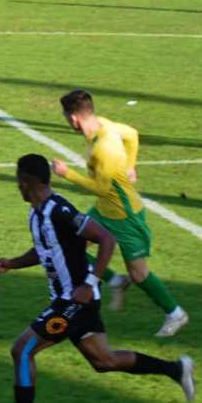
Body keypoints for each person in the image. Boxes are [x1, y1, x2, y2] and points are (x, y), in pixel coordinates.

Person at [0, 154, 196, 403]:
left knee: (22, 349)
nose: (16, 185)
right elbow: (45, 249)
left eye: (18, 179)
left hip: (75, 303)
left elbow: (106, 239)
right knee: (104, 361)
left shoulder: (59, 210)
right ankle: (177, 369)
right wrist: (12, 263)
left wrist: (91, 282)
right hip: (70, 301)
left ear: (27, 182)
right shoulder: (37, 214)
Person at [52, 90, 189, 337]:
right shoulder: (103, 124)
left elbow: (102, 189)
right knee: (70, 243)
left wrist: (66, 174)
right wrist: (130, 166)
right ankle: (115, 281)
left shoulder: (103, 148)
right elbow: (132, 135)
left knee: (139, 274)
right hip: (105, 211)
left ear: (73, 118)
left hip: (124, 216)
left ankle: (175, 313)